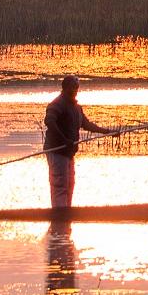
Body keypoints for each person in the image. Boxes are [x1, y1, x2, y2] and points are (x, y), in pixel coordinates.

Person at [43, 75, 109, 213]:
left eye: (77, 87)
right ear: (65, 88)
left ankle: (65, 217)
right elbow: (49, 121)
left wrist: (107, 132)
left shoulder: (76, 108)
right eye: (73, 87)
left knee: (70, 184)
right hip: (57, 150)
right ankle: (59, 215)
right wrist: (63, 140)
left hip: (68, 152)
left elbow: (87, 124)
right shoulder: (57, 104)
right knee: (60, 184)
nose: (75, 90)